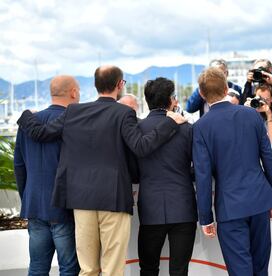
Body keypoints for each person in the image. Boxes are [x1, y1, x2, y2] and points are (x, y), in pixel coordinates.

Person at [17, 65, 186, 276]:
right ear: (119, 85)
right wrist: (170, 122)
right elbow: (141, 147)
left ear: (96, 85)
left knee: (87, 269)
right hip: (113, 198)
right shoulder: (124, 113)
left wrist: (25, 115)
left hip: (80, 199)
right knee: (112, 268)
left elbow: (41, 133)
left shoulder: (74, 111)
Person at [192, 67, 272, 276]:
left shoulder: (201, 127)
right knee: (261, 268)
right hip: (260, 200)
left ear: (202, 94)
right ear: (226, 88)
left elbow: (203, 175)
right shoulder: (251, 115)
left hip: (230, 206)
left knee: (240, 270)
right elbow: (268, 158)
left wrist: (206, 218)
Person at [14, 75, 81, 276]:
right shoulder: (73, 122)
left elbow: (19, 165)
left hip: (34, 204)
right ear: (73, 92)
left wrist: (26, 196)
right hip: (62, 207)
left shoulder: (28, 123)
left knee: (37, 266)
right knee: (69, 267)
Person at [137, 77, 197, 276]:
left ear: (147, 100)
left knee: (148, 268)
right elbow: (198, 167)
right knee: (179, 270)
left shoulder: (138, 129)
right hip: (183, 205)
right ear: (172, 100)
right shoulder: (186, 129)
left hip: (150, 206)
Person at [244, 84, 272, 162]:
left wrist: (269, 114)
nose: (263, 102)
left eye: (266, 99)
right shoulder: (251, 115)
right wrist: (247, 112)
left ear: (271, 99)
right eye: (260, 99)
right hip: (254, 163)